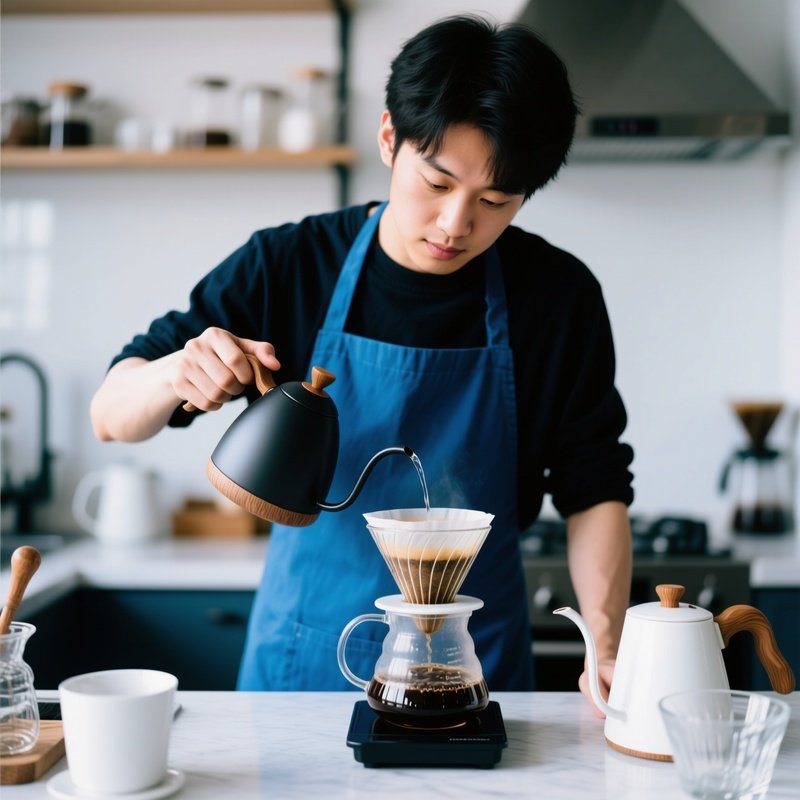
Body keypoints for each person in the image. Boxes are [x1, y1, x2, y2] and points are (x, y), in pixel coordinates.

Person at [91, 15, 633, 709]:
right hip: (304, 672)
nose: (456, 225)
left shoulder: (556, 297)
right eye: (437, 183)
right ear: (388, 138)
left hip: (473, 666)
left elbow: (594, 488)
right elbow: (110, 416)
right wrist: (174, 374)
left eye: (495, 201)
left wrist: (606, 642)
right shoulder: (288, 264)